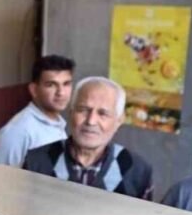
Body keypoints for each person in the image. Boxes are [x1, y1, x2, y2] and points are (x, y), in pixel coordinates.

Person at [22, 76, 153, 199]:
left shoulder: (136, 169)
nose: (91, 121)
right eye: (83, 110)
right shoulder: (36, 161)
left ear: (118, 121)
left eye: (103, 113)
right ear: (71, 112)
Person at [0, 55, 73, 167]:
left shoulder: (58, 123)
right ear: (34, 90)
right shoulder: (18, 131)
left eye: (66, 84)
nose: (61, 92)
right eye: (51, 85)